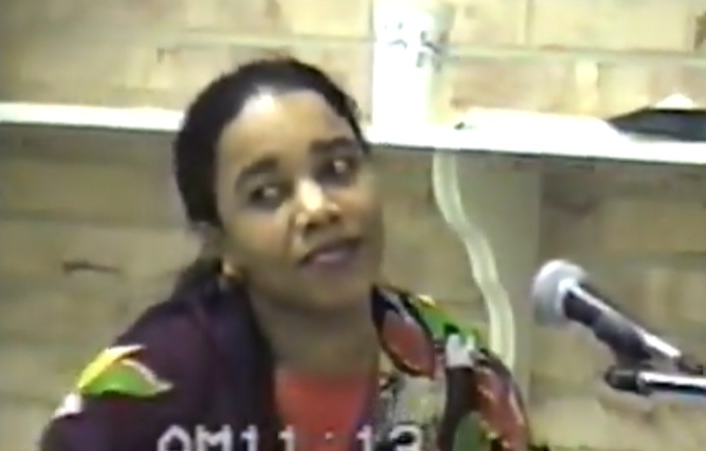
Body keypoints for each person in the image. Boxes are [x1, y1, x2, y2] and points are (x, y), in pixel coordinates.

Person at [39, 58, 543, 451]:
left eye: (338, 169)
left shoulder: (457, 371)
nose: (318, 208)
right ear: (220, 241)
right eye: (267, 194)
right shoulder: (145, 392)